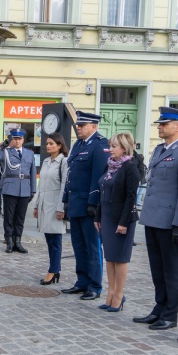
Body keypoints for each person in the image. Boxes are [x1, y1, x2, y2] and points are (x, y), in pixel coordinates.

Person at [134, 106, 178, 331]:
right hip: (153, 217)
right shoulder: (160, 150)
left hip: (170, 220)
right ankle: (159, 308)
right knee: (157, 268)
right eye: (160, 124)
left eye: (164, 124)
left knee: (172, 269)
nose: (160, 127)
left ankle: (170, 315)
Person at [61, 111, 110, 300]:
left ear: (94, 126)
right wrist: (66, 200)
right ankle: (82, 281)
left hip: (89, 206)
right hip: (75, 203)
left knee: (93, 246)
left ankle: (94, 285)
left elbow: (99, 177)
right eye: (77, 125)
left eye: (82, 125)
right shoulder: (78, 145)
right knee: (78, 246)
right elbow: (70, 175)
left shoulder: (99, 145)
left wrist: (93, 203)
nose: (78, 128)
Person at [94, 133, 141, 313]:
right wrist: (97, 217)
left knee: (120, 259)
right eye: (110, 146)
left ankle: (119, 295)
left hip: (122, 219)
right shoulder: (110, 167)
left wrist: (123, 222)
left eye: (114, 146)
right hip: (107, 217)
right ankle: (110, 293)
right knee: (110, 258)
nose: (110, 149)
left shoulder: (130, 168)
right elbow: (102, 193)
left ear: (124, 148)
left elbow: (131, 198)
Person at [0, 129, 36, 253]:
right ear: (12, 140)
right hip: (10, 188)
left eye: (19, 139)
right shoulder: (6, 152)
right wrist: (0, 145)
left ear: (23, 140)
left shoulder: (29, 154)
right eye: (15, 139)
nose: (17, 141)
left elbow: (33, 172)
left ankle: (18, 241)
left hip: (24, 188)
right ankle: (9, 241)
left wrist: (33, 190)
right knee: (9, 217)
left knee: (20, 217)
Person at [31, 132, 68, 284]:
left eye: (51, 143)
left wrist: (61, 208)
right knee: (49, 239)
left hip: (55, 205)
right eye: (47, 143)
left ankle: (53, 270)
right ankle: (55, 269)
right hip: (45, 205)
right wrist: (36, 204)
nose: (48, 146)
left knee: (56, 240)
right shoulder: (46, 161)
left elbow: (65, 186)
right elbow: (41, 186)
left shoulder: (64, 162)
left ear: (59, 145)